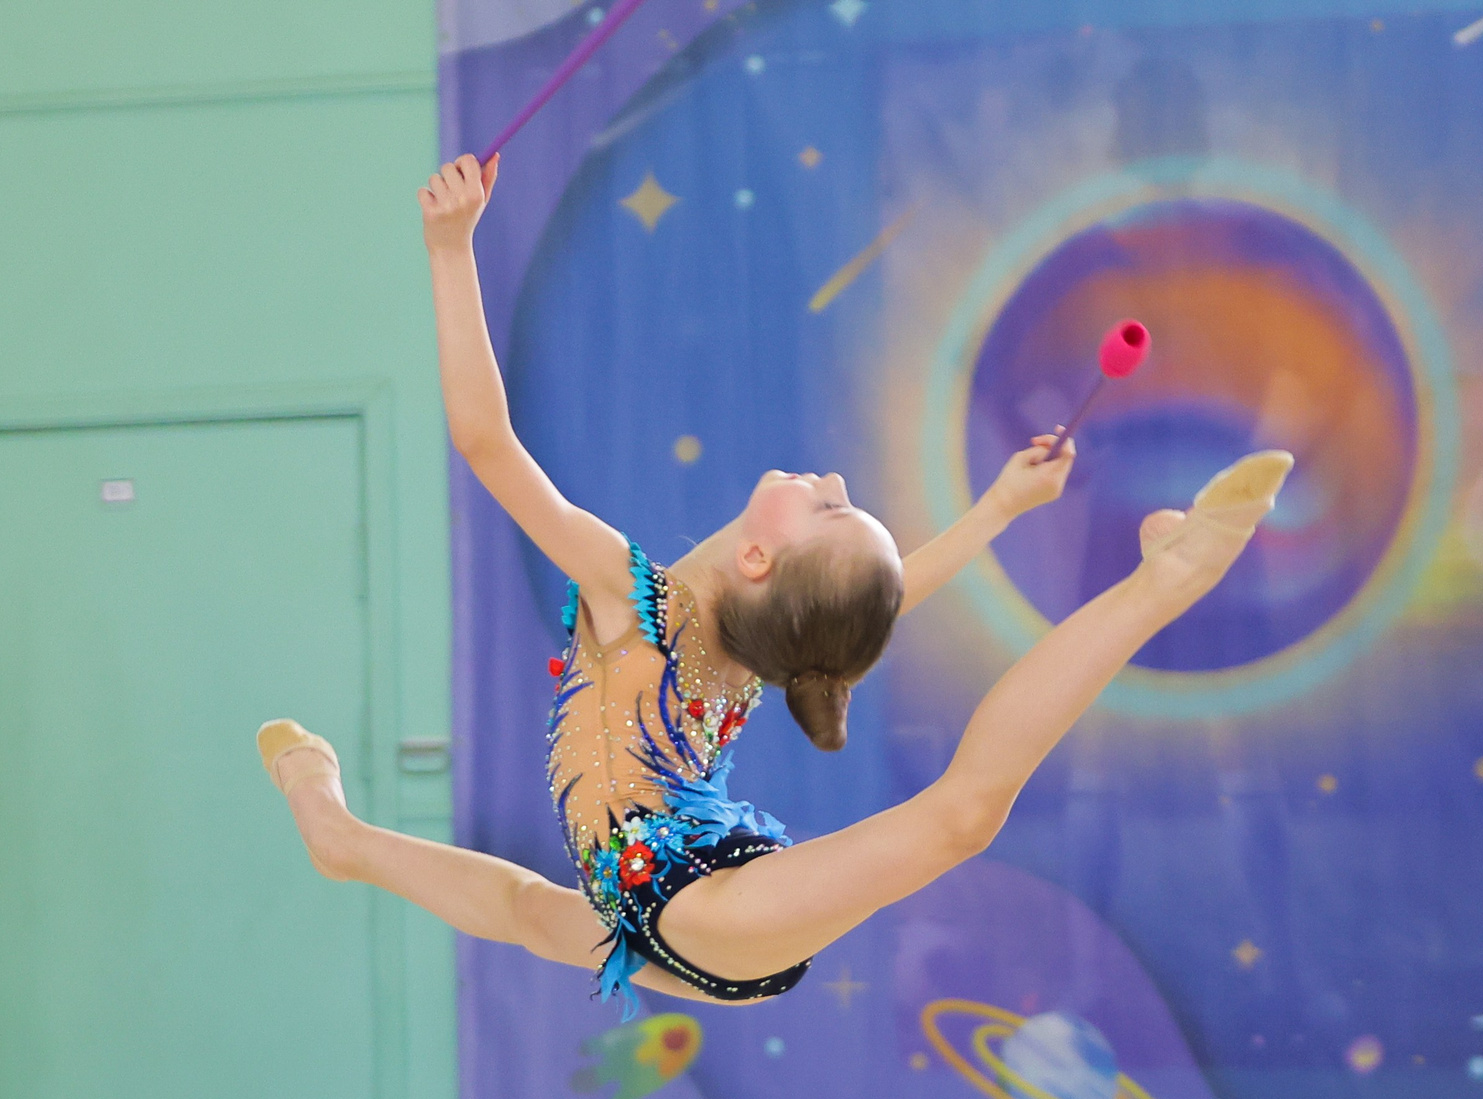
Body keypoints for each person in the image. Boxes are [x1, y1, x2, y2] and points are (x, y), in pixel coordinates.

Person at [258, 155, 1292, 1010]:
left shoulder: (636, 604)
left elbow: (487, 444)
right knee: (532, 913)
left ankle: (1164, 582)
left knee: (959, 818)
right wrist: (994, 511)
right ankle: (342, 839)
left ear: (760, 559)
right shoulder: (752, 646)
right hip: (666, 913)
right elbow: (880, 604)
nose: (833, 480)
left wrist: (450, 251)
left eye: (833, 510)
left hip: (700, 908)